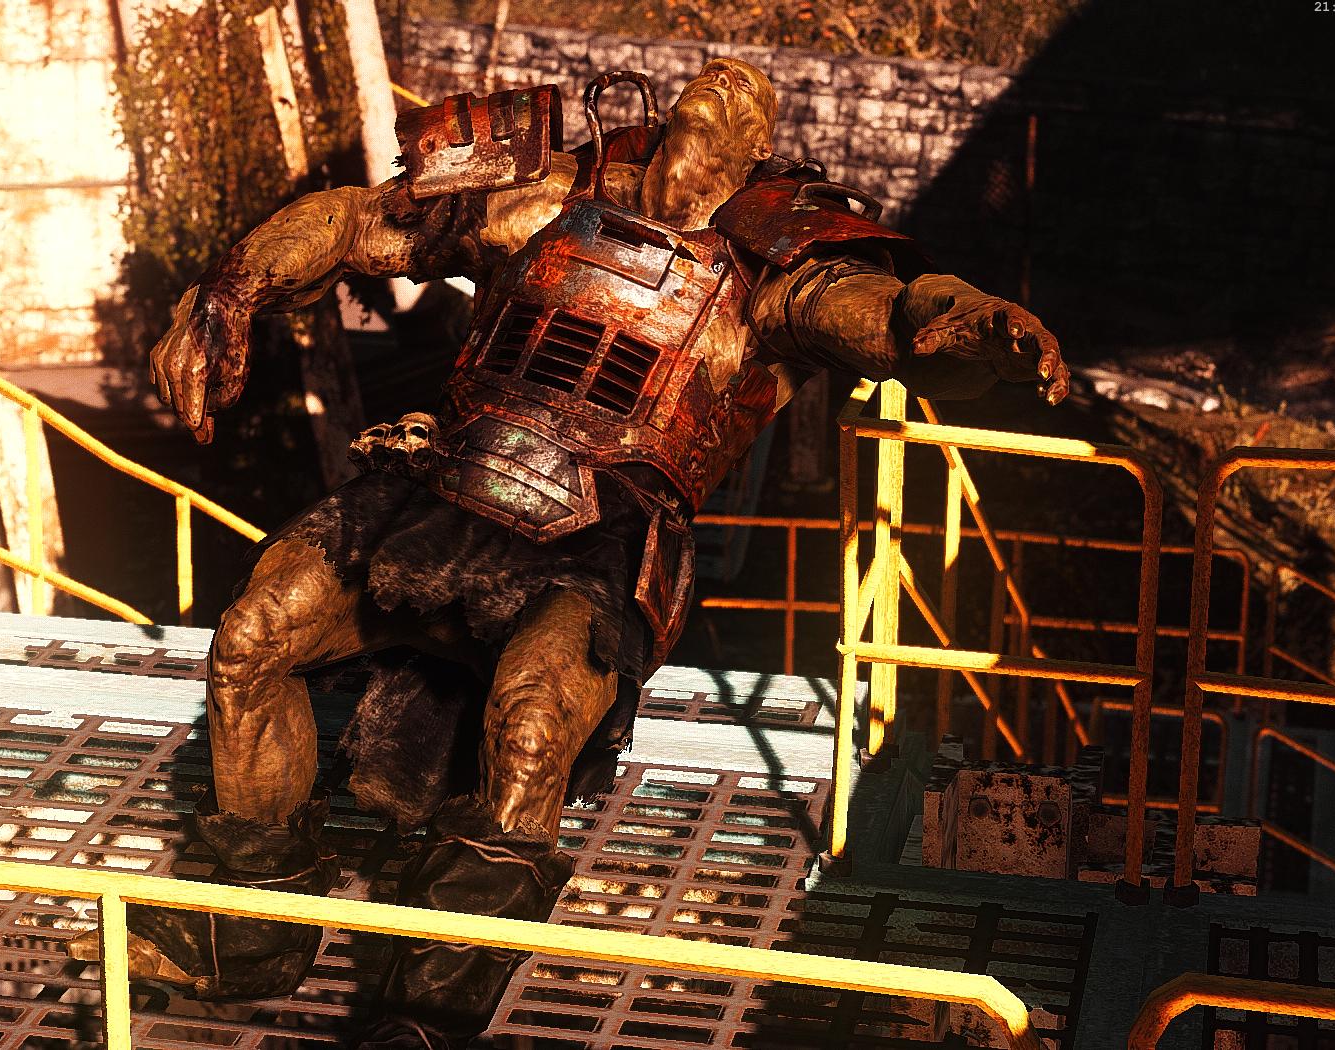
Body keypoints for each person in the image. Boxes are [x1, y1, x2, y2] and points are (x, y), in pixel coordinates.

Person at [118, 59, 1067, 1049]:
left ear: (756, 149)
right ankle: (248, 928)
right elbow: (355, 220)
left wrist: (976, 321)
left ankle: (426, 1018)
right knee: (253, 634)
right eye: (710, 73)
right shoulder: (542, 196)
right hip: (448, 475)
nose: (723, 77)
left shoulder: (776, 269)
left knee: (531, 724)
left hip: (605, 523)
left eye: (745, 89)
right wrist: (228, 292)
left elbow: (894, 314)